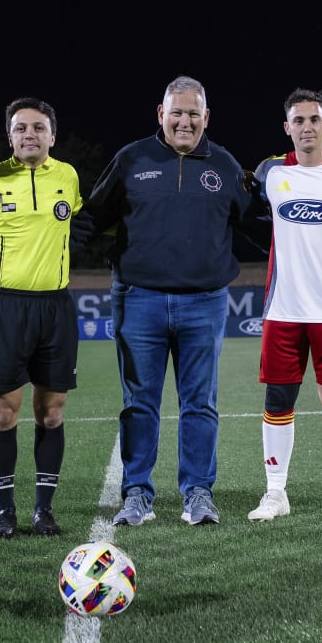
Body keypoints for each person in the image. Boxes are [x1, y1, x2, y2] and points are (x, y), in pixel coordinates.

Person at [82, 75, 253, 527]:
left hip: (205, 301)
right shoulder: (132, 159)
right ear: (161, 114)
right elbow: (92, 218)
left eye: (193, 113)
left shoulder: (225, 165)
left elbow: (256, 219)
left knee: (200, 402)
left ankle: (198, 492)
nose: (184, 121)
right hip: (140, 300)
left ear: (206, 118)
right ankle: (137, 492)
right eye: (176, 112)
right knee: (139, 402)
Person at [247, 89, 322, 524]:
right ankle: (276, 493)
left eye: (314, 119)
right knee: (279, 398)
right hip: (283, 308)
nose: (307, 127)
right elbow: (244, 212)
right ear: (287, 127)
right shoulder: (270, 172)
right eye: (298, 120)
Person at [0, 98, 82, 538]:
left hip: (55, 306)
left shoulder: (68, 176)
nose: (29, 135)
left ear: (52, 135)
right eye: (20, 128)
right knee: (3, 413)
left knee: (51, 412)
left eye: (38, 128)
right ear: (10, 136)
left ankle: (44, 510)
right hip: (6, 307)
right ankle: (5, 511)